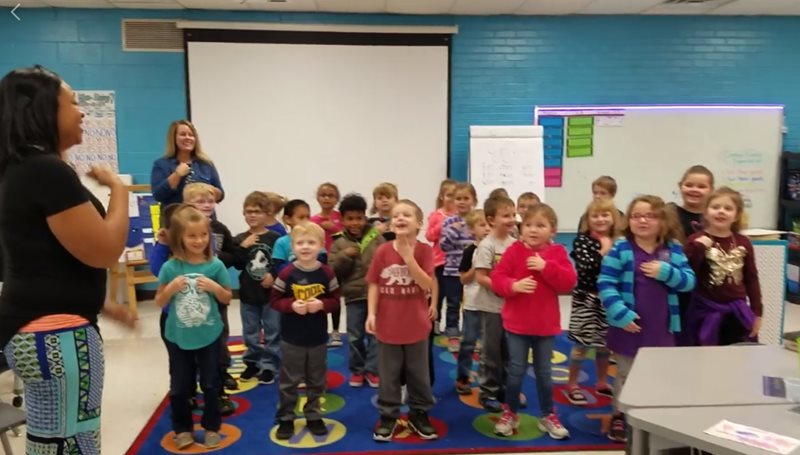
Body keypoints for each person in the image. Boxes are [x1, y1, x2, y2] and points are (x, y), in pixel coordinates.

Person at [0, 65, 134, 454]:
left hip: (36, 331)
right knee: (73, 442)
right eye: (72, 103)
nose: (82, 111)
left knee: (50, 439)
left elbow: (47, 261)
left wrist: (104, 305)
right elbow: (107, 249)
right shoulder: (45, 171)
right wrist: (117, 189)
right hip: (57, 339)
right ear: (43, 111)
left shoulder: (20, 170)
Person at [598, 195, 696, 442]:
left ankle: (651, 417)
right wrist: (619, 313)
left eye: (650, 215)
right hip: (628, 326)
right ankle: (621, 416)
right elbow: (606, 283)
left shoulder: (672, 249)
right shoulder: (621, 248)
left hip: (662, 328)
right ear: (628, 220)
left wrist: (667, 272)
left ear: (662, 220)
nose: (642, 220)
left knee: (657, 374)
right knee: (625, 374)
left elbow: (689, 282)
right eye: (636, 215)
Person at [491, 204, 577, 440]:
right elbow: (498, 279)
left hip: (544, 326)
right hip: (517, 325)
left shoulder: (557, 253)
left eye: (541, 225)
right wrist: (514, 286)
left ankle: (548, 415)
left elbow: (568, 282)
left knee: (544, 372)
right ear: (521, 228)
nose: (533, 230)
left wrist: (546, 266)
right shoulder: (513, 251)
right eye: (528, 225)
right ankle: (510, 412)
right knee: (516, 371)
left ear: (553, 231)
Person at [155, 204, 232, 450]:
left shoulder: (215, 265)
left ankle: (212, 427)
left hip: (208, 335)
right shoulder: (170, 267)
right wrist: (170, 289)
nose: (199, 240)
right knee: (179, 387)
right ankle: (182, 429)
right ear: (179, 238)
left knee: (210, 384)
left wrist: (214, 287)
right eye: (192, 235)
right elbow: (159, 301)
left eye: (203, 234)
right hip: (178, 336)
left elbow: (227, 298)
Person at [367, 199, 438, 442]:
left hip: (416, 327)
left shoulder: (425, 251)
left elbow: (427, 285)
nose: (399, 218)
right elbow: (374, 283)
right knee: (389, 375)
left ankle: (419, 413)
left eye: (406, 214)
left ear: (419, 223)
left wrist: (408, 257)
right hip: (388, 327)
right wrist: (371, 313)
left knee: (419, 375)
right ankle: (388, 415)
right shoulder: (382, 251)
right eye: (396, 215)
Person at [271, 222, 341, 440]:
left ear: (321, 246)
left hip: (318, 337)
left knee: (317, 379)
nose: (305, 247)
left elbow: (336, 301)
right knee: (289, 381)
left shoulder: (327, 273)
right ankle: (286, 417)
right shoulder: (287, 273)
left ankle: (313, 415)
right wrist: (291, 305)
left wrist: (322, 305)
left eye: (311, 242)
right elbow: (274, 300)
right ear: (292, 247)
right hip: (292, 337)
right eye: (300, 243)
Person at [684, 187, 762, 345]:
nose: (721, 212)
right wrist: (699, 249)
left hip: (736, 313)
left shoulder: (743, 242)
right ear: (706, 212)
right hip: (704, 312)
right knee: (705, 360)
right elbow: (688, 274)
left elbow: (751, 279)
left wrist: (757, 313)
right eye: (715, 207)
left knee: (737, 358)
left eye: (728, 208)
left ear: (736, 215)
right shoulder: (696, 240)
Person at [565, 199, 622, 406]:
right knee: (582, 344)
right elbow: (586, 268)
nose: (600, 219)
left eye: (605, 215)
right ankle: (572, 384)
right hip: (586, 298)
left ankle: (601, 381)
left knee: (605, 344)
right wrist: (603, 250)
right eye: (595, 216)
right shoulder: (582, 241)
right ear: (588, 220)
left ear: (613, 218)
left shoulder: (620, 241)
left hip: (609, 298)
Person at [329, 193, 385, 388]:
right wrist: (345, 255)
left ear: (365, 217)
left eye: (359, 218)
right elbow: (333, 270)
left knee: (376, 335)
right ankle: (357, 370)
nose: (355, 223)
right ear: (342, 219)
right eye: (350, 219)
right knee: (355, 336)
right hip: (354, 296)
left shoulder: (376, 237)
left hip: (377, 296)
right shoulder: (338, 243)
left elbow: (387, 260)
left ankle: (373, 370)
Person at [474, 196, 517, 413]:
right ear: (491, 220)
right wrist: (504, 288)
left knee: (511, 351)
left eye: (513, 214)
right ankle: (488, 391)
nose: (512, 219)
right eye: (506, 215)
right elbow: (481, 276)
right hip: (491, 308)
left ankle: (506, 390)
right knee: (491, 352)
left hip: (513, 309)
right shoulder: (487, 245)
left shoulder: (516, 244)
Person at [233, 191, 281, 384]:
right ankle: (252, 362)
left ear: (267, 214)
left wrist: (274, 275)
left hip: (271, 295)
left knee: (273, 330)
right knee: (250, 332)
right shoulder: (239, 238)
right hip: (248, 294)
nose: (252, 215)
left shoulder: (275, 238)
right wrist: (243, 247)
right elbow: (236, 264)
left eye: (257, 211)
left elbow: (282, 262)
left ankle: (269, 365)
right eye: (248, 211)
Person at [454, 209, 490, 395]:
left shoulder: (495, 249)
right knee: (468, 342)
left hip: (492, 306)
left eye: (489, 225)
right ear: (471, 230)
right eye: (482, 225)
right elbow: (463, 279)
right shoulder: (470, 251)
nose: (487, 228)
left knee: (488, 346)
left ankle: (486, 382)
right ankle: (462, 377)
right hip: (472, 305)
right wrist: (477, 267)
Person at [439, 182, 478, 351]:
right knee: (453, 304)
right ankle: (453, 335)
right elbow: (443, 246)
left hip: (472, 272)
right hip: (452, 271)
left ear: (474, 201)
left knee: (472, 304)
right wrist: (454, 231)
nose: (462, 202)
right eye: (458, 199)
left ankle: (471, 335)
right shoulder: (449, 221)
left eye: (466, 198)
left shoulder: (478, 219)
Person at [150, 120, 224, 206]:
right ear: (173, 138)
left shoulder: (206, 163)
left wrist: (208, 190)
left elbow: (221, 195)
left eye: (191, 135)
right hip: (175, 218)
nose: (187, 137)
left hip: (203, 218)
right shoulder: (161, 164)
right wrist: (177, 175)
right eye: (183, 134)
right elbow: (158, 196)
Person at [310, 182, 343, 347]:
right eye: (323, 195)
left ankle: (336, 331)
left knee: (335, 298)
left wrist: (334, 228)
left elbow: (348, 237)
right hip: (319, 264)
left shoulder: (341, 218)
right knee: (319, 297)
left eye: (331, 195)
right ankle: (320, 330)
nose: (327, 198)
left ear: (337, 198)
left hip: (338, 264)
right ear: (318, 198)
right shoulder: (313, 220)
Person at [425, 178, 457, 335]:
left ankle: (452, 328)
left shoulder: (461, 216)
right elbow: (429, 236)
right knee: (437, 296)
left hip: (456, 264)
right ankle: (434, 322)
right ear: (442, 197)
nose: (452, 199)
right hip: (439, 263)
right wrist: (442, 224)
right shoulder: (436, 215)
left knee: (454, 298)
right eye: (449, 195)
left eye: (455, 195)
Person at [669, 165, 715, 241]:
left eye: (701, 187)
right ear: (680, 186)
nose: (694, 190)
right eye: (689, 185)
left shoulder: (716, 218)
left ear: (711, 190)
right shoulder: (668, 215)